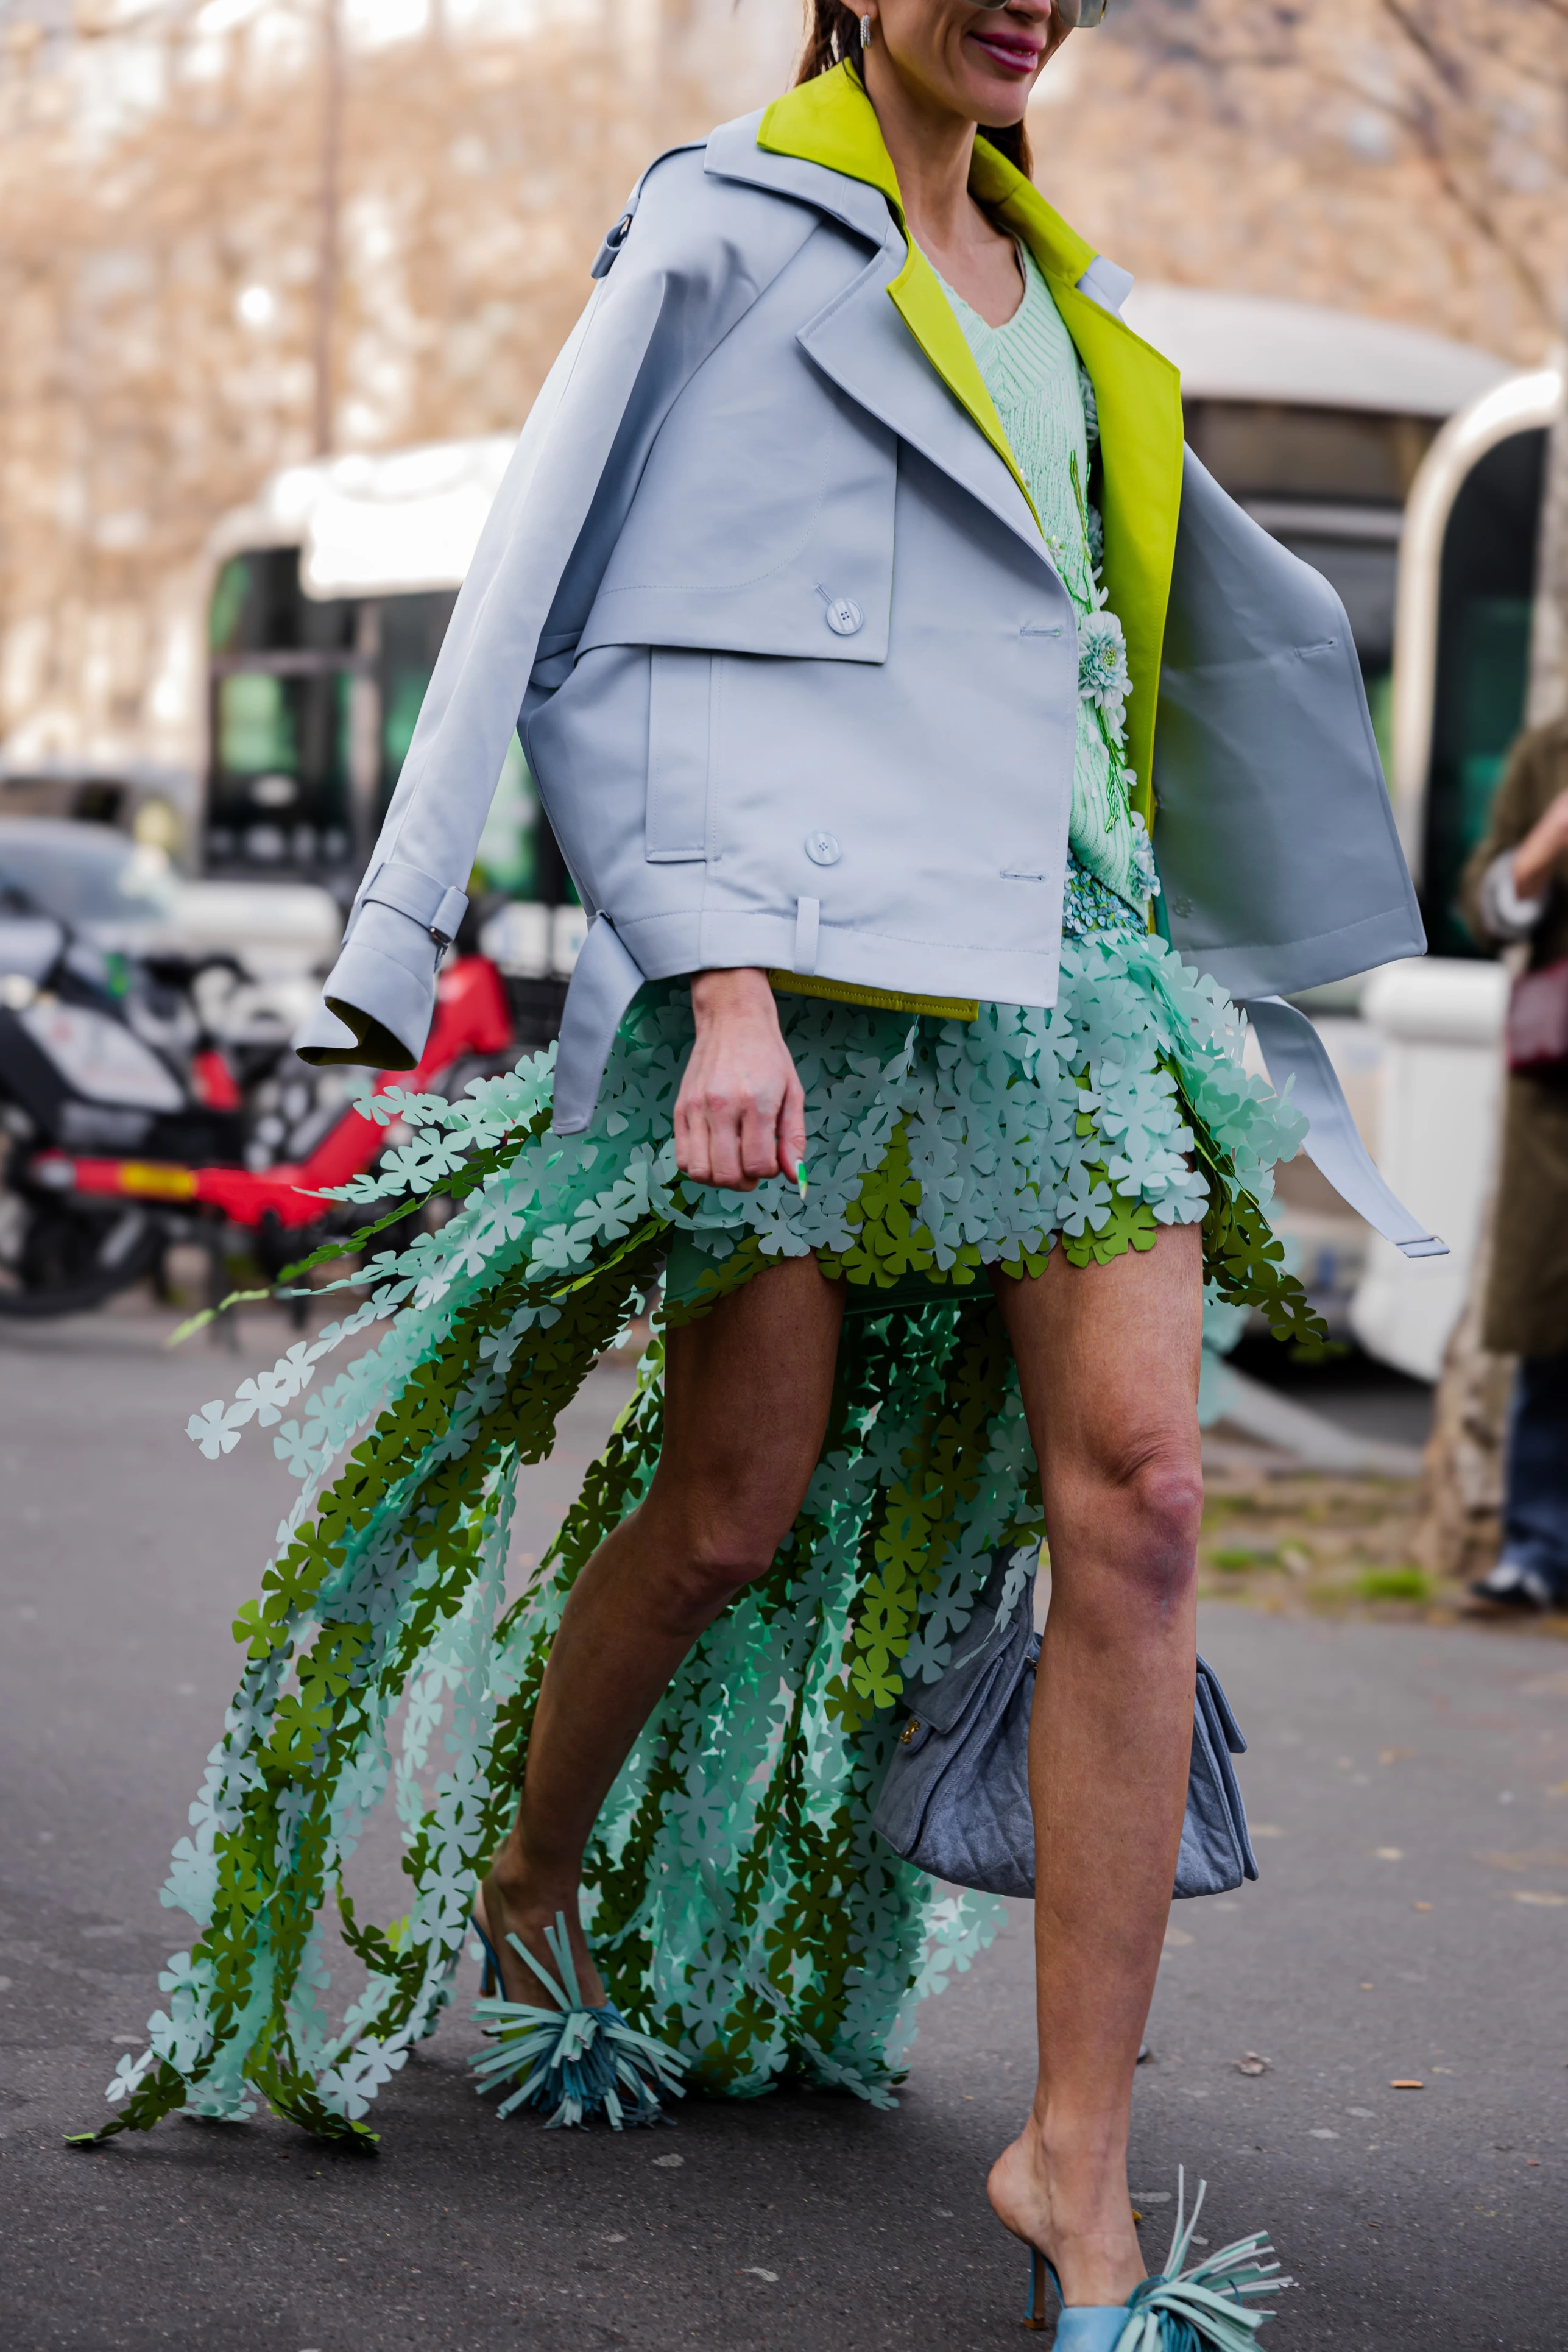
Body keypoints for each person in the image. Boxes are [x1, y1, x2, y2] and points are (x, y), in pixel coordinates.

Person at [86, 6, 1432, 2341]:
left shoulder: (1074, 298)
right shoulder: (718, 230)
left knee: (1143, 1499)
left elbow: (1102, 664)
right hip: (792, 980)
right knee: (730, 1500)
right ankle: (525, 1876)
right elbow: (562, 619)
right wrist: (700, 978)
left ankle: (1073, 2164)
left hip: (1068, 970)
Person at [1461, 711, 1568, 1618]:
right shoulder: (1547, 748)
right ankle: (1537, 1547)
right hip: (1560, 1092)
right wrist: (1543, 845)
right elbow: (1480, 904)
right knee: (1550, 1326)